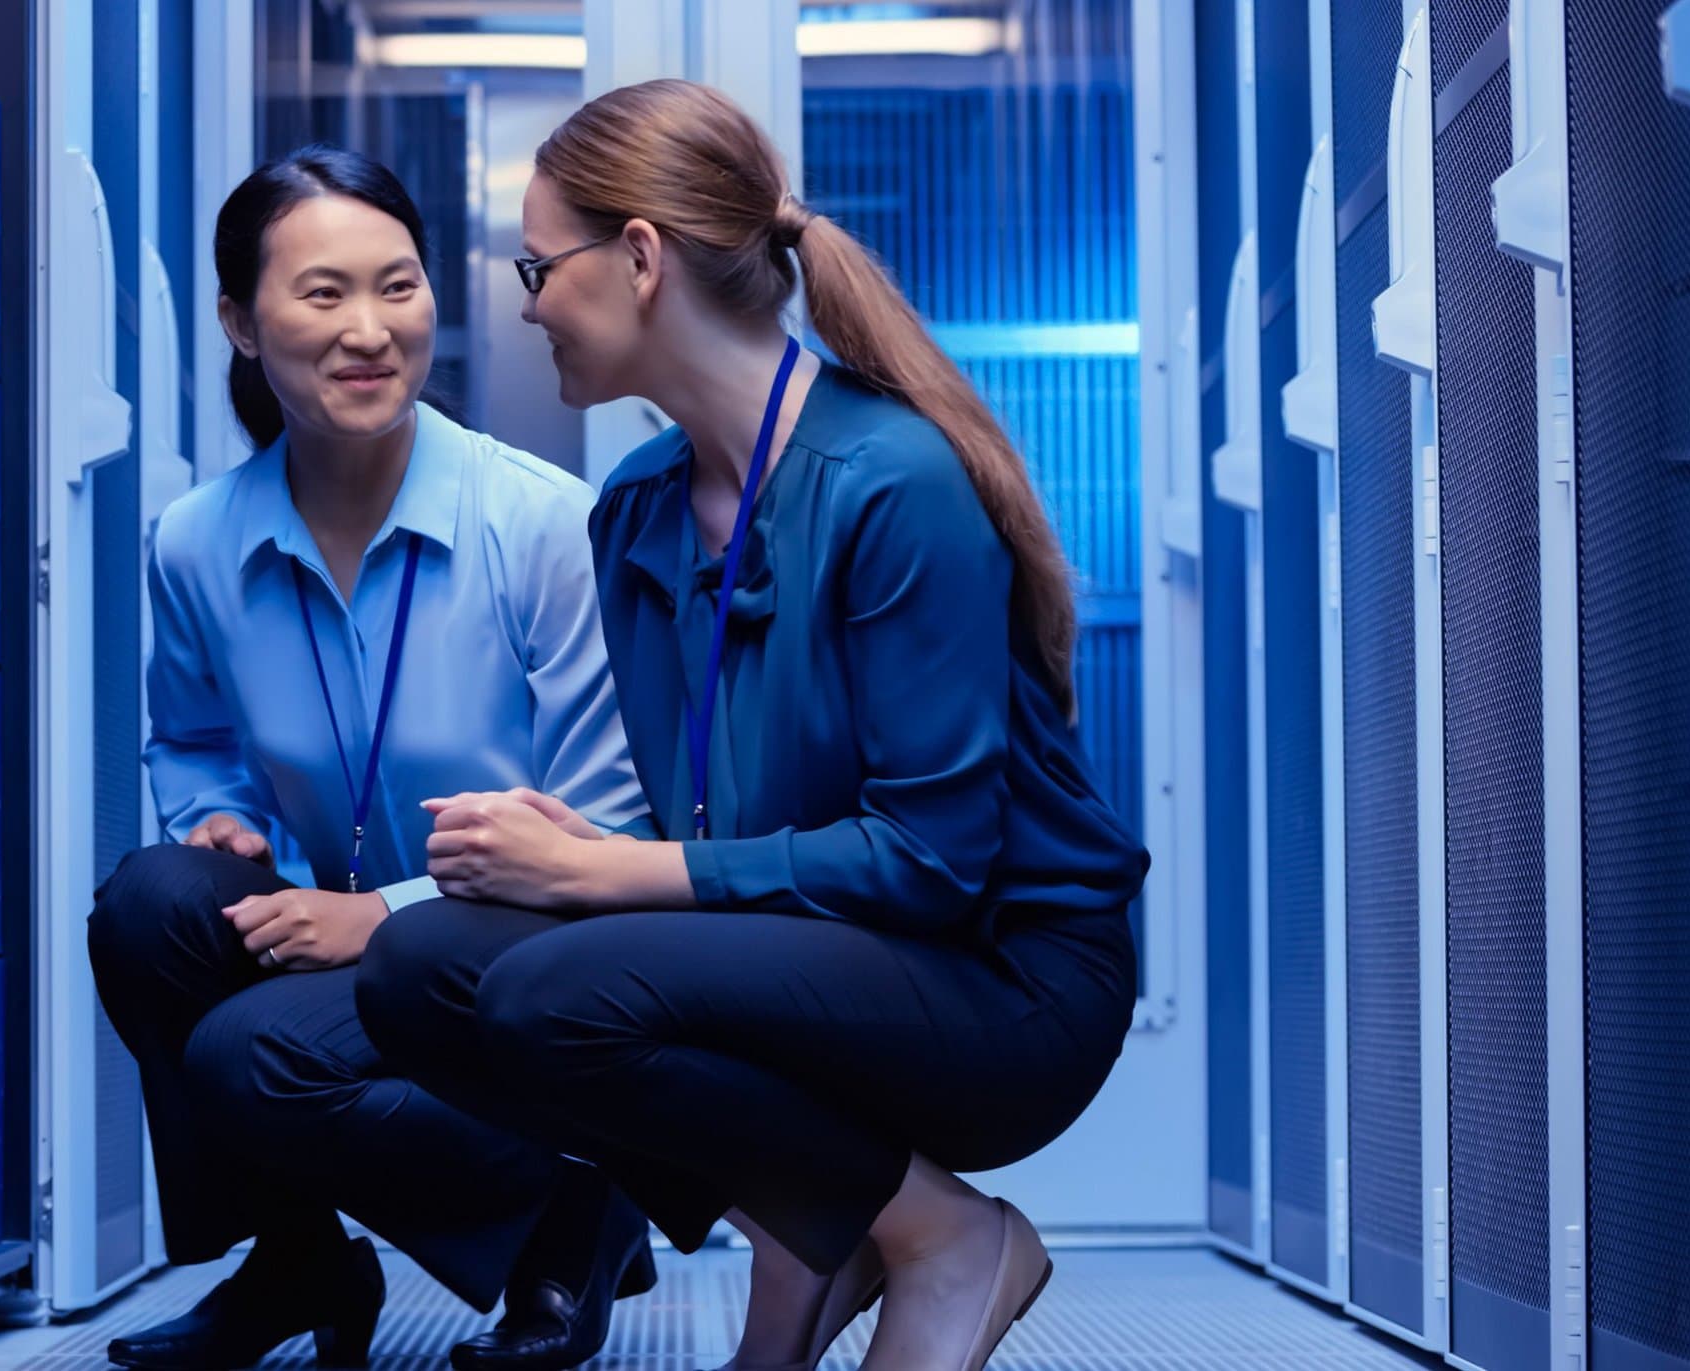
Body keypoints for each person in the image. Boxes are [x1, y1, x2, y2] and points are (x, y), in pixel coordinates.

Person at [353, 80, 1151, 1371]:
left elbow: (931, 861)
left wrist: (608, 876)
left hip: (1005, 983)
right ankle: (816, 1229)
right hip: (823, 951)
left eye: (539, 268)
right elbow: (718, 827)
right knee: (422, 970)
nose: (526, 304)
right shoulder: (636, 512)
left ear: (641, 259)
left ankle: (945, 1238)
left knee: (559, 993)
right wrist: (588, 852)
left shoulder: (892, 481)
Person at [88, 145, 657, 1371]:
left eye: (398, 287)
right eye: (323, 293)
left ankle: (577, 1210)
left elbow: (606, 818)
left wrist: (384, 914)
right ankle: (298, 1258)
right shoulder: (195, 542)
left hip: (526, 942)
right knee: (147, 906)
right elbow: (190, 740)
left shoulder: (542, 523)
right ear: (242, 323)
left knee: (247, 1057)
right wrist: (216, 819)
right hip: (322, 932)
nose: (369, 330)